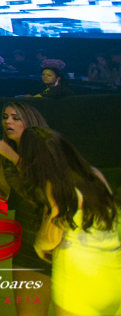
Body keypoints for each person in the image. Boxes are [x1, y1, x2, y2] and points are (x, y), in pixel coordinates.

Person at [18, 127, 121, 316]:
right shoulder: (95, 175)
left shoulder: (56, 186)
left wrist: (39, 246)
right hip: (113, 279)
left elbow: (50, 239)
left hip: (78, 283)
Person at [0, 101, 51, 316]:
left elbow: (45, 188)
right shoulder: (5, 151)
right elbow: (9, 194)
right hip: (25, 240)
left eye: (15, 118)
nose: (8, 122)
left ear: (29, 121)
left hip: (55, 237)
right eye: (5, 117)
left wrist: (12, 156)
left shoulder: (47, 146)